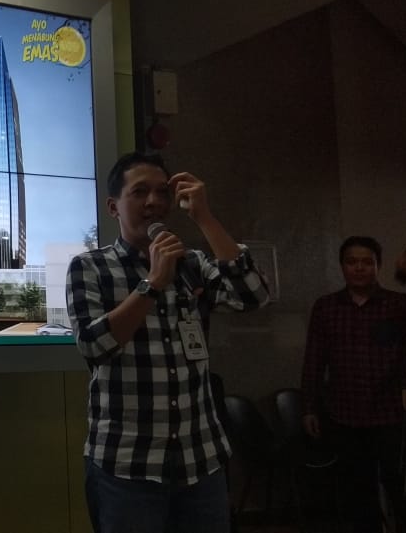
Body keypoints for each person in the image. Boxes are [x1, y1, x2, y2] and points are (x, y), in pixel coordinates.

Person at [66, 151, 270, 533]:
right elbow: (94, 346)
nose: (154, 201)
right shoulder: (90, 267)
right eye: (139, 192)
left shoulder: (191, 262)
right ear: (113, 207)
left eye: (162, 192)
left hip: (201, 459)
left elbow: (254, 296)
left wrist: (204, 217)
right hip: (127, 465)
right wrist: (153, 283)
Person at [301, 236, 406, 533]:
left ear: (378, 266)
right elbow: (314, 359)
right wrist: (309, 407)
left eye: (367, 262)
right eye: (352, 262)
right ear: (342, 266)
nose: (359, 268)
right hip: (345, 414)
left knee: (400, 486)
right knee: (358, 491)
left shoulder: (397, 304)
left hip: (390, 414)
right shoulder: (326, 307)